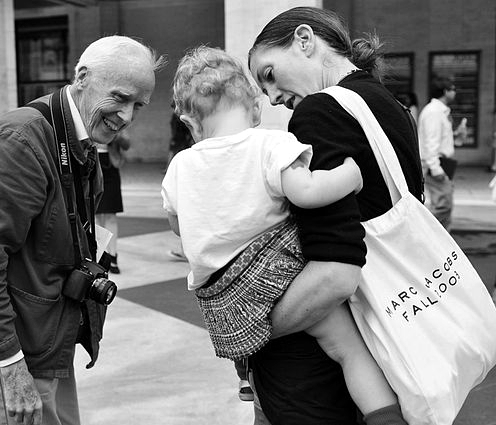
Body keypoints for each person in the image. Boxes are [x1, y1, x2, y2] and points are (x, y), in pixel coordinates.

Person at [164, 45, 404, 424]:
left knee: (247, 346)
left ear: (189, 122)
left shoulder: (180, 165)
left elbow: (178, 225)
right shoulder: (270, 144)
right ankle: (385, 417)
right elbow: (306, 192)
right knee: (347, 350)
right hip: (280, 280)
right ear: (255, 107)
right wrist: (349, 176)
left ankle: (246, 379)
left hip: (222, 301)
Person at [0, 35, 161, 425]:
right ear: (82, 76)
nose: (128, 116)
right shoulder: (22, 137)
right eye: (119, 97)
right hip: (22, 349)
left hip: (53, 339)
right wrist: (11, 369)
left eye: (138, 105)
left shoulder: (80, 141)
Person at [248, 6, 424, 424]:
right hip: (390, 322)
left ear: (304, 40)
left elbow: (335, 270)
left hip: (325, 363)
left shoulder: (320, 111)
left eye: (269, 74)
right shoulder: (386, 103)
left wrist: (250, 328)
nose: (272, 97)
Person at [418, 77, 464, 231]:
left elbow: (440, 139)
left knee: (444, 207)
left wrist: (458, 135)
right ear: (445, 91)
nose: (455, 92)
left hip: (443, 164)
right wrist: (436, 169)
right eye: (453, 89)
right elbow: (431, 143)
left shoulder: (440, 111)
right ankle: (426, 238)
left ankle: (441, 246)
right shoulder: (434, 112)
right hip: (437, 165)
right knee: (443, 207)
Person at [95, 131, 131, 274]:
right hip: (92, 161)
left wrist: (117, 133)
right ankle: (99, 255)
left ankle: (113, 255)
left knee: (111, 214)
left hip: (110, 163)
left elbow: (127, 145)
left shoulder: (117, 118)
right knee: (96, 214)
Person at [166, 104, 194, 262]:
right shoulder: (183, 118)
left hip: (181, 151)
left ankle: (186, 249)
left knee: (182, 204)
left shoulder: (179, 119)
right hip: (183, 151)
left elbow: (176, 140)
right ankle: (185, 248)